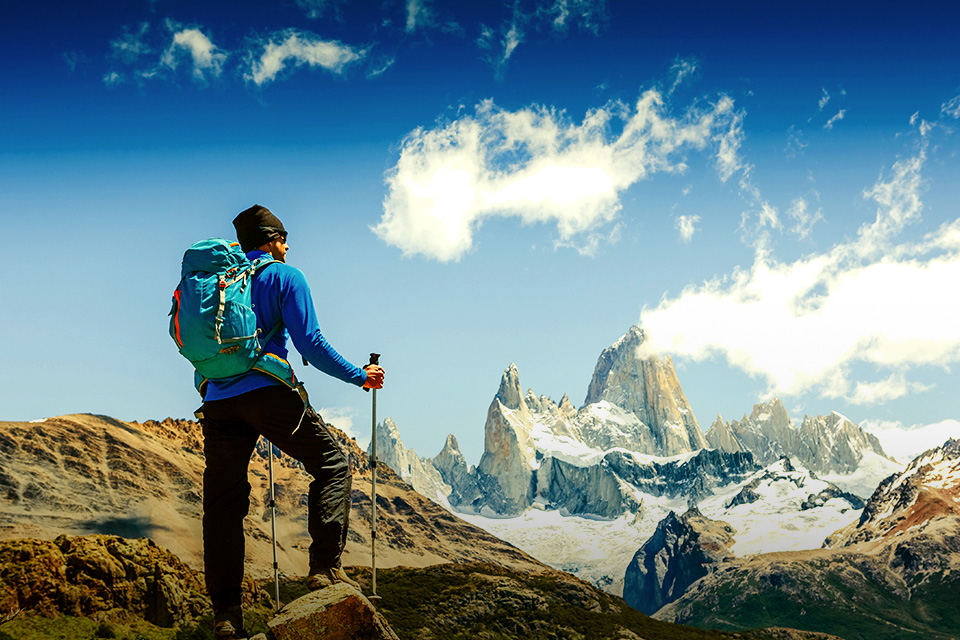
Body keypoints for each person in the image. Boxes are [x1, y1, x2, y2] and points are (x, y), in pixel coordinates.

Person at [196, 204, 384, 640]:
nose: (286, 247)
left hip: (218, 402)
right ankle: (323, 570)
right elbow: (311, 344)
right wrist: (360, 375)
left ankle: (226, 618)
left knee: (223, 507)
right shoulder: (285, 276)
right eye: (283, 239)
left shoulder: (217, 284)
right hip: (268, 393)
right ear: (272, 240)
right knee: (333, 464)